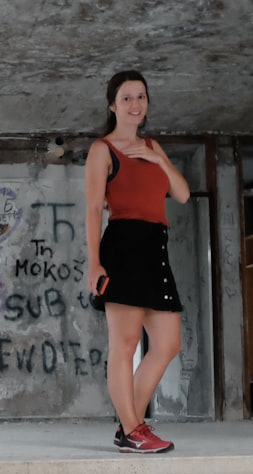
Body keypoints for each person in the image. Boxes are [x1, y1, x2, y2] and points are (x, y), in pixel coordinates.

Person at [84, 70, 190, 453]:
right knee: (125, 345)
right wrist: (94, 263)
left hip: (155, 248)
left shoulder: (151, 147)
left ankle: (131, 425)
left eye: (141, 97)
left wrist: (157, 157)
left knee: (167, 342)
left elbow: (182, 194)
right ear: (112, 105)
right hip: (123, 246)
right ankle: (132, 428)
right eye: (127, 97)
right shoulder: (103, 150)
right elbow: (95, 208)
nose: (135, 104)